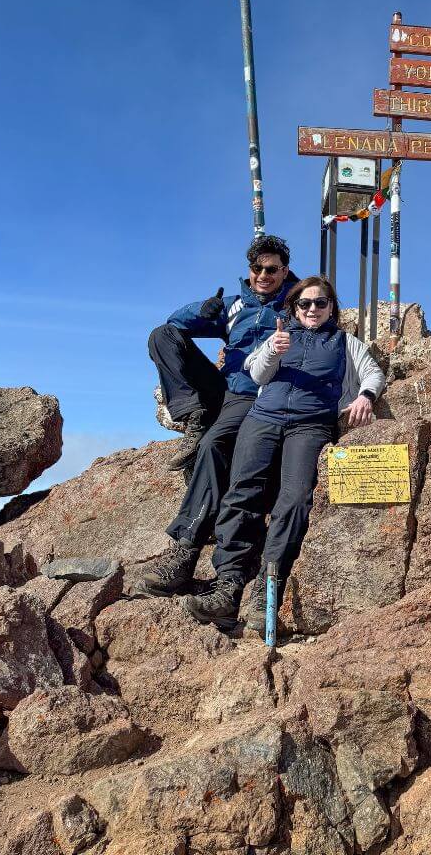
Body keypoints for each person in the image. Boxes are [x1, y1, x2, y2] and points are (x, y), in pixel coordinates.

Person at [183, 274, 385, 631]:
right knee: (241, 493)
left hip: (311, 425)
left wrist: (366, 396)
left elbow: (372, 373)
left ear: (331, 308)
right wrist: (273, 350)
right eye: (304, 303)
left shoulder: (344, 342)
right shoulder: (278, 336)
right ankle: (227, 585)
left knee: (293, 499)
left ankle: (267, 587)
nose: (312, 309)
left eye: (320, 303)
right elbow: (258, 375)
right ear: (294, 307)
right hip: (262, 419)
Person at [133, 235, 297, 598]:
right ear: (250, 271)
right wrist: (203, 311)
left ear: (284, 271)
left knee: (213, 446)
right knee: (162, 335)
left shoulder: (297, 302)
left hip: (257, 393)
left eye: (272, 269)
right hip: (225, 389)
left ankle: (186, 550)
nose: (264, 275)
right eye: (257, 269)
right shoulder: (235, 304)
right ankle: (192, 414)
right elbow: (175, 323)